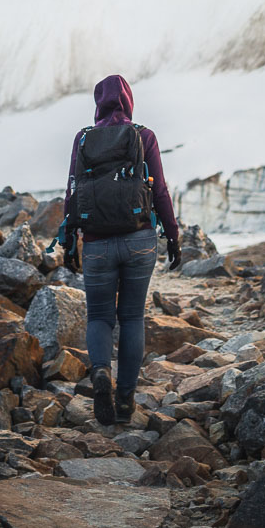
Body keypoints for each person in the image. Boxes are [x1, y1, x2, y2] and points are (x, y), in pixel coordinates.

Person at [62, 74, 182, 425]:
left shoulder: (83, 138)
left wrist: (70, 238)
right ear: (128, 100)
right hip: (139, 239)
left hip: (96, 242)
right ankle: (126, 400)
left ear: (98, 103)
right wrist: (172, 234)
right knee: (131, 317)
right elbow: (159, 190)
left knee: (99, 316)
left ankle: (101, 373)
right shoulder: (144, 135)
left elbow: (72, 189)